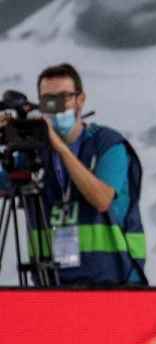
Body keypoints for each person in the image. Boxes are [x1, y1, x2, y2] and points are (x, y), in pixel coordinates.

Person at [29, 63, 145, 285]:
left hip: (112, 284)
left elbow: (101, 200)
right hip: (52, 286)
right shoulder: (35, 152)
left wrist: (61, 149)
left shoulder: (108, 145)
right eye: (48, 100)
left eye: (64, 97)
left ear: (81, 100)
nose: (56, 107)